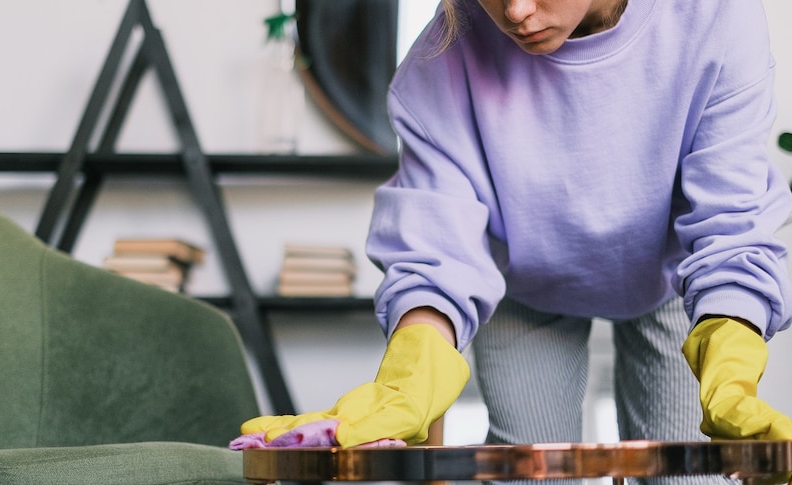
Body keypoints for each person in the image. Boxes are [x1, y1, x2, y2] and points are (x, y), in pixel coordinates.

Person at [233, 0, 792, 481]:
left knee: (691, 477)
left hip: (672, 279)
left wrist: (733, 362)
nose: (516, 12)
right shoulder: (443, 55)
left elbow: (730, 217)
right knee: (528, 476)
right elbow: (438, 246)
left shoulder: (716, 14)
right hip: (523, 285)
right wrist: (412, 372)